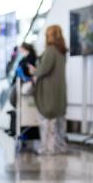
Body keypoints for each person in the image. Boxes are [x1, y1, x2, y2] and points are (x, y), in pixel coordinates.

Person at [29, 25, 69, 155]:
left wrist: (34, 71)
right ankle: (59, 146)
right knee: (59, 121)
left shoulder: (51, 50)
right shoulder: (62, 51)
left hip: (49, 91)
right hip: (59, 90)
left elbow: (44, 69)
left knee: (47, 119)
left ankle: (47, 148)